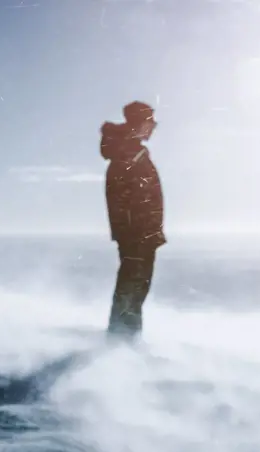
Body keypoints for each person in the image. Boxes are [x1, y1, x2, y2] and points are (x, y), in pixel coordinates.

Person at [100, 101, 166, 340]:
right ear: (139, 123)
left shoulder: (131, 153)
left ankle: (126, 338)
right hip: (137, 237)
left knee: (136, 287)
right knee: (132, 287)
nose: (154, 128)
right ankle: (122, 340)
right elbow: (123, 201)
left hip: (141, 236)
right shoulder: (127, 157)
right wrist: (137, 233)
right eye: (151, 122)